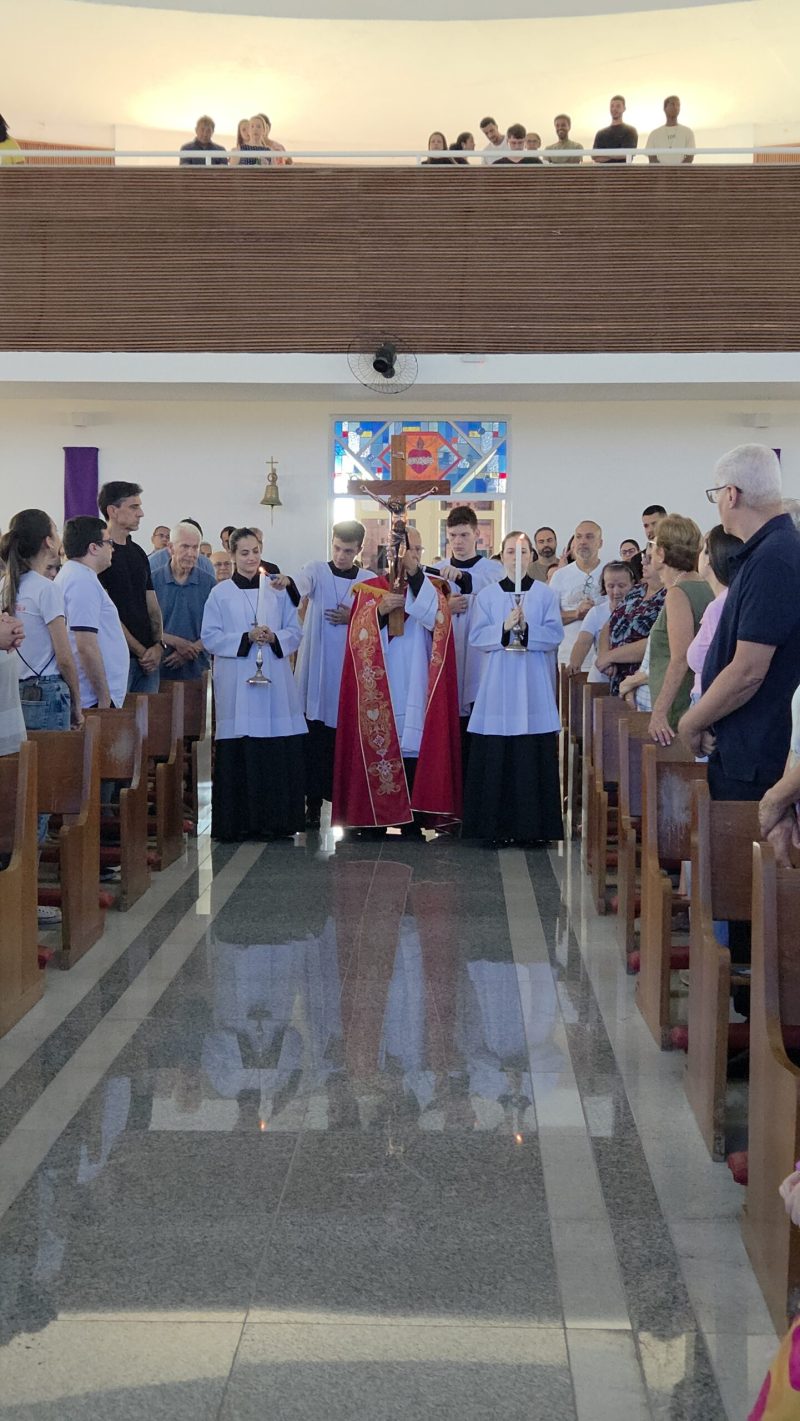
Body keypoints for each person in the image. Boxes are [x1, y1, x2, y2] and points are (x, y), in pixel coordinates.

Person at [679, 445, 800, 803]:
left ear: (731, 494)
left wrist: (692, 721)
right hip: (748, 748)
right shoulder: (770, 550)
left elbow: (748, 671)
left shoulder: (773, 558)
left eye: (715, 495)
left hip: (757, 756)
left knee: (744, 859)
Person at [332, 529, 462, 834]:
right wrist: (380, 611)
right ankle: (373, 818)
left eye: (416, 549)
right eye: (405, 550)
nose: (410, 555)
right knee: (379, 741)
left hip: (416, 680)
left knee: (413, 743)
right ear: (389, 553)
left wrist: (414, 576)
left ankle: (413, 818)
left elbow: (438, 620)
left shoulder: (431, 588)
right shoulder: (369, 589)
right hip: (381, 681)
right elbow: (356, 635)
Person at [1, 510, 84, 921]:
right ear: (49, 542)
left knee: (14, 794)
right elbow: (65, 656)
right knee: (39, 798)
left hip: (13, 696)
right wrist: (77, 700)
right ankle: (25, 899)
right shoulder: (45, 589)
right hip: (46, 693)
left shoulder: (6, 586)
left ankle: (13, 888)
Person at [200, 527, 306, 842]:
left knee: (273, 747)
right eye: (244, 553)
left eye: (255, 551)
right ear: (232, 556)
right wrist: (245, 638)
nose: (251, 558)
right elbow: (210, 637)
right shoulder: (219, 593)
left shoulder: (275, 590)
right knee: (240, 746)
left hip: (273, 678)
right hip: (236, 680)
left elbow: (295, 630)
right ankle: (237, 824)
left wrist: (276, 637)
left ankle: (276, 822)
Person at [462, 530, 564, 846]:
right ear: (501, 556)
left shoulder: (546, 595)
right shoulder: (489, 596)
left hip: (533, 682)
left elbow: (555, 635)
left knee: (530, 752)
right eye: (509, 552)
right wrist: (504, 629)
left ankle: (532, 830)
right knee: (494, 753)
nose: (515, 558)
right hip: (497, 684)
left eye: (522, 553)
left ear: (531, 556)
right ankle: (490, 828)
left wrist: (528, 630)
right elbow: (477, 637)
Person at [293, 520, 375, 828]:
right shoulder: (317, 570)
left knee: (347, 739)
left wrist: (353, 615)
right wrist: (286, 584)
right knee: (315, 740)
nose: (341, 556)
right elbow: (301, 584)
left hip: (350, 672)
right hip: (318, 671)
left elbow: (379, 619)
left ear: (359, 550)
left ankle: (348, 808)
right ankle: (312, 805)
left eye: (348, 551)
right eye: (337, 548)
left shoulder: (368, 580)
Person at [434, 505, 504, 762]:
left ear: (477, 534)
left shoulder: (493, 570)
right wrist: (445, 606)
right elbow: (424, 612)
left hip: (479, 658)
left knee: (477, 721)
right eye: (452, 536)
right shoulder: (437, 570)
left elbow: (494, 594)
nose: (458, 541)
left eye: (464, 535)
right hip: (448, 652)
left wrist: (463, 577)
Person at [646, 514, 714, 745]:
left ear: (662, 553)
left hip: (680, 707)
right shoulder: (703, 585)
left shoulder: (678, 593)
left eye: (653, 545)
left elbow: (680, 659)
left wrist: (659, 712)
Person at [56, 516, 130, 711]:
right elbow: (85, 645)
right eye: (109, 542)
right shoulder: (82, 581)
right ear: (93, 547)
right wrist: (104, 697)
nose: (112, 548)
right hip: (93, 698)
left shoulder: (77, 575)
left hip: (92, 696)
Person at [97, 482, 164, 693]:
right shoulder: (100, 554)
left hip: (148, 658)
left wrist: (158, 645)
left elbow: (152, 606)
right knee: (115, 722)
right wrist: (141, 650)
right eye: (134, 507)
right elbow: (107, 612)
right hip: (117, 658)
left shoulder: (138, 552)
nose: (141, 513)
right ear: (113, 511)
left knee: (149, 723)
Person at [595, 541, 666, 697]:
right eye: (643, 557)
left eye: (649, 558)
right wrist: (605, 657)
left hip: (643, 683)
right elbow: (609, 625)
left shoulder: (669, 596)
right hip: (618, 680)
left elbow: (657, 642)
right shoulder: (636, 591)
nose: (643, 562)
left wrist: (610, 656)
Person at [685, 524, 743, 702]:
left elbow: (720, 663)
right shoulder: (728, 598)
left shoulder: (720, 606)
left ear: (710, 559)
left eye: (703, 550)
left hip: (710, 701)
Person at [151, 522, 215, 682]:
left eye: (195, 548)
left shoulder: (209, 583)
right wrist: (175, 642)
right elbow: (144, 624)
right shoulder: (152, 581)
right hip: (157, 670)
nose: (191, 553)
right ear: (171, 548)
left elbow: (218, 626)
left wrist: (191, 650)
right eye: (185, 547)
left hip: (198, 670)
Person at [567, 560, 636, 682]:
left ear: (632, 584)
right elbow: (583, 642)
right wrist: (574, 663)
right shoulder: (596, 612)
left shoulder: (640, 612)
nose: (616, 592)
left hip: (630, 678)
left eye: (621, 586)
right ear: (604, 586)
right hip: (600, 679)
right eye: (610, 586)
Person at [548, 520, 604, 666]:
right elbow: (550, 618)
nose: (583, 542)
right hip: (568, 659)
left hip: (604, 659)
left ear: (600, 543)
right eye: (578, 537)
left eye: (589, 537)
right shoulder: (560, 576)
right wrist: (575, 614)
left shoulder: (610, 572)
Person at [646, 95, 695, 166]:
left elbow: (690, 157)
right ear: (665, 108)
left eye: (678, 105)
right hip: (661, 175)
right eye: (672, 104)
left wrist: (677, 172)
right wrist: (664, 172)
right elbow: (652, 157)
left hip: (680, 174)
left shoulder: (687, 132)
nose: (675, 107)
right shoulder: (654, 134)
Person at [592, 96, 638, 163]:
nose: (614, 109)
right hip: (603, 172)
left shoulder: (630, 131)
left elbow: (628, 154)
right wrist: (616, 155)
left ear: (624, 109)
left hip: (623, 172)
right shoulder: (601, 133)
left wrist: (604, 154)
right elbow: (594, 156)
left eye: (618, 106)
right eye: (612, 106)